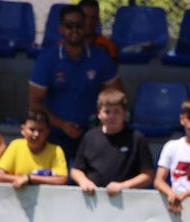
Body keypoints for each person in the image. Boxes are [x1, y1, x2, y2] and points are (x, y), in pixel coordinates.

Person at [28, 4, 121, 160]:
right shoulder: (47, 60)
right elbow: (33, 103)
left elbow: (118, 97)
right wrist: (63, 125)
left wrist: (102, 120)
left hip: (93, 133)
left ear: (85, 27)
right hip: (54, 134)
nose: (74, 30)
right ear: (61, 29)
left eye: (79, 25)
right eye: (69, 26)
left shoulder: (101, 58)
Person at [69, 88, 153, 195]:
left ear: (124, 114)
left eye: (117, 111)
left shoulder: (136, 138)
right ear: (99, 114)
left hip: (126, 200)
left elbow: (148, 175)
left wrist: (123, 186)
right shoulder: (90, 136)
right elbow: (76, 170)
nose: (112, 116)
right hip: (93, 199)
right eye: (107, 112)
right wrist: (84, 182)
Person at [0, 109, 69, 188]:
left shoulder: (56, 151)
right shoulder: (15, 146)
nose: (36, 134)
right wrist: (23, 179)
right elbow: (0, 177)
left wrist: (30, 179)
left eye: (40, 130)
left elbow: (62, 180)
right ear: (23, 130)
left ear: (47, 132)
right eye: (32, 129)